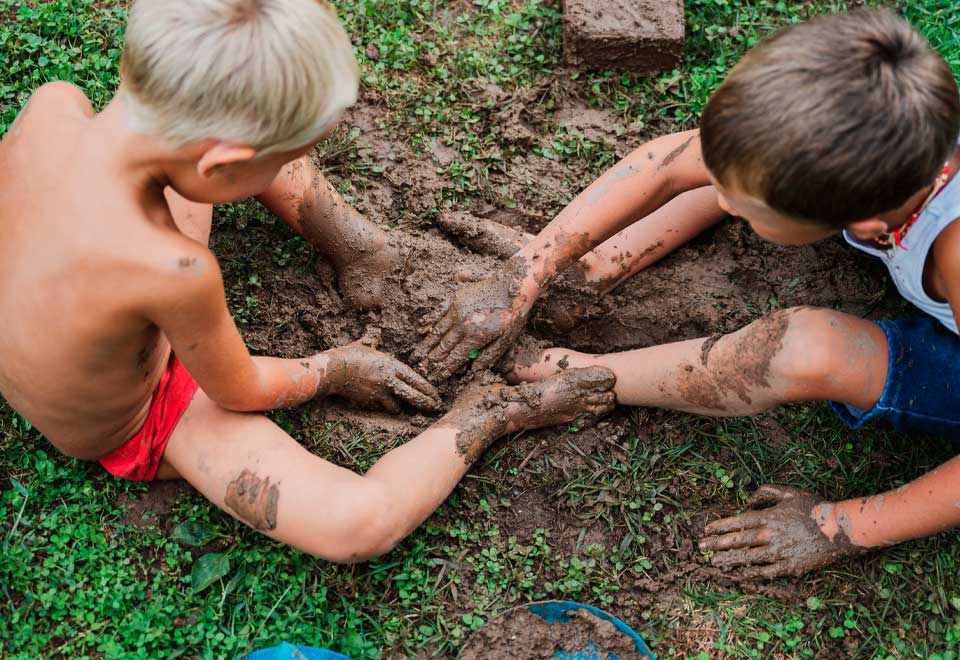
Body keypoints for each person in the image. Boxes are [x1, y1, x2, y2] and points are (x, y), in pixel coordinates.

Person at [0, 0, 616, 562]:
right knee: (357, 525)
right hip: (140, 413)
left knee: (231, 133)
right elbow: (239, 389)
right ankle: (491, 411)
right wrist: (337, 369)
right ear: (220, 163)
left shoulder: (53, 107)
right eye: (278, 159)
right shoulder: (174, 271)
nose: (285, 164)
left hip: (75, 296)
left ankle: (360, 247)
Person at [414, 9, 960, 578]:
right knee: (742, 173)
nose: (722, 203)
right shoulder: (885, 127)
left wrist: (842, 526)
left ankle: (582, 373)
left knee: (802, 348)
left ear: (867, 219)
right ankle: (596, 272)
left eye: (743, 212)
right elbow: (669, 165)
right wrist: (527, 272)